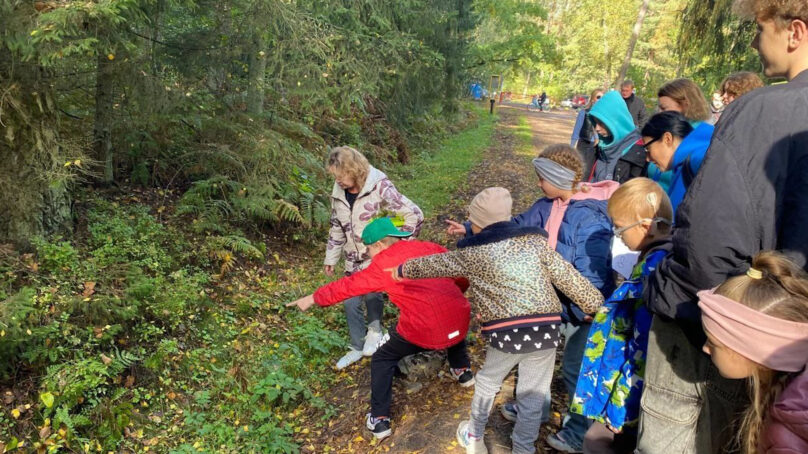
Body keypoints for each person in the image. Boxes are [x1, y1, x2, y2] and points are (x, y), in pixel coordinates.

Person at [637, 1, 808, 453]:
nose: (754, 42)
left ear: (794, 32)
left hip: (724, 333)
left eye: (760, 29)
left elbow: (709, 243)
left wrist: (659, 284)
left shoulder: (764, 111)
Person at [394, 187, 605, 454]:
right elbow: (567, 276)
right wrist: (595, 304)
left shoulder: (472, 253)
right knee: (532, 396)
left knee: (488, 381)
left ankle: (474, 436)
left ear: (477, 223)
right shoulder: (535, 244)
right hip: (545, 329)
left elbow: (437, 264)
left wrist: (403, 269)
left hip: (508, 332)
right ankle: (523, 449)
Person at [287, 217, 473, 441]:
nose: (369, 254)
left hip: (426, 328)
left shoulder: (383, 265)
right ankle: (463, 371)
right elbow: (459, 272)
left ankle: (379, 420)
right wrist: (457, 293)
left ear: (379, 245)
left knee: (382, 358)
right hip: (461, 316)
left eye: (368, 249)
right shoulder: (427, 247)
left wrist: (313, 298)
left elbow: (347, 286)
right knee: (450, 321)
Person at [489, 145, 618, 454]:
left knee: (575, 369)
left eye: (541, 178)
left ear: (557, 178)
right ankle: (536, 408)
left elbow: (595, 271)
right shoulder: (548, 203)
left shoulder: (590, 216)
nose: (537, 184)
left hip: (582, 311)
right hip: (552, 303)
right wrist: (476, 230)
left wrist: (585, 307)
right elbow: (518, 225)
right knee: (536, 356)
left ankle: (576, 434)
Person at [571, 178, 673, 454]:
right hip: (626, 392)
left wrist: (620, 408)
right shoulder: (655, 259)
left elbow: (642, 349)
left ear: (644, 226)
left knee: (595, 443)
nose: (617, 235)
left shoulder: (653, 273)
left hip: (629, 398)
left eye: (619, 228)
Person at [323, 146, 424, 370]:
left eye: (341, 176)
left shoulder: (379, 186)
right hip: (352, 255)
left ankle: (376, 331)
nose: (338, 181)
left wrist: (396, 244)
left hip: (375, 253)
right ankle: (356, 346)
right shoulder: (339, 191)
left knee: (372, 292)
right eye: (335, 177)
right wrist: (331, 257)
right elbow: (336, 225)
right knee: (350, 299)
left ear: (354, 169)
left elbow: (414, 215)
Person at [698, 251, 808, 454]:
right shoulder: (789, 400)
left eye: (714, 343)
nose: (705, 348)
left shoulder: (784, 432)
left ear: (755, 351)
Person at [640, 111, 713, 214]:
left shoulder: (700, 160)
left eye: (648, 149)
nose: (647, 158)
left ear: (667, 139)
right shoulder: (684, 163)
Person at [651, 78, 712, 192]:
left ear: (685, 105)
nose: (659, 112)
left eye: (664, 108)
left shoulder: (703, 139)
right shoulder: (665, 132)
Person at [588, 91, 647, 184]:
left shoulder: (638, 152)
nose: (597, 129)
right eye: (595, 123)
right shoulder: (600, 148)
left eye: (601, 123)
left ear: (616, 122)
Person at [571, 89, 605, 179]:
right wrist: (571, 146)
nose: (600, 99)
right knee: (578, 168)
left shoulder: (604, 115)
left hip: (596, 147)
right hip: (583, 143)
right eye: (598, 97)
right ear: (593, 99)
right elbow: (577, 129)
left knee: (590, 172)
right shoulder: (584, 112)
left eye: (602, 97)